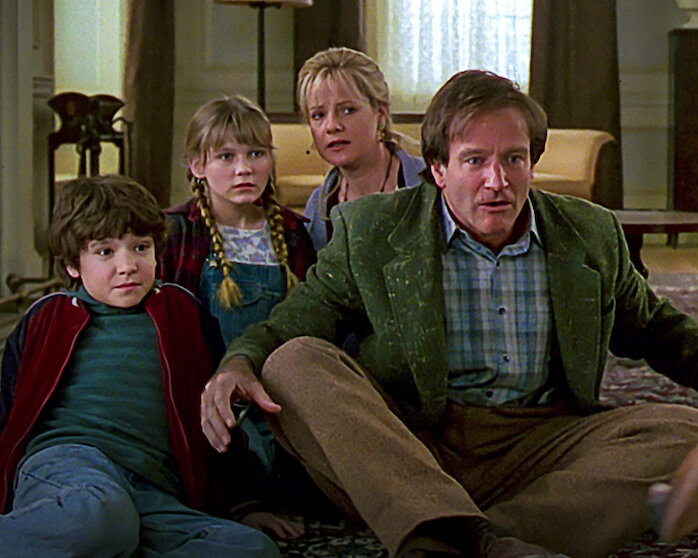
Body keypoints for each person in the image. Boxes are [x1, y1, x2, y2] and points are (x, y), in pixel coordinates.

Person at [199, 71, 698, 558]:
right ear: (438, 169)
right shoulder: (372, 230)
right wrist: (239, 361)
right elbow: (297, 321)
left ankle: (451, 537)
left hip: (540, 444)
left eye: (513, 158)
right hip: (413, 440)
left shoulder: (587, 235)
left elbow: (665, 334)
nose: (497, 181)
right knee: (293, 364)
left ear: (533, 162)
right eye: (475, 161)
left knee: (681, 432)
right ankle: (484, 539)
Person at [0, 175, 288, 556]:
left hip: (151, 488)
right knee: (98, 518)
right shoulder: (46, 317)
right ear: (72, 264)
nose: (127, 266)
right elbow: (8, 413)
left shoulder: (183, 313)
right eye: (105, 252)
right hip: (69, 470)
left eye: (140, 247)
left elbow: (218, 412)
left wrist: (245, 503)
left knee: (252, 550)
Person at [157, 95, 317, 516]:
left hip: (281, 398)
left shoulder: (295, 233)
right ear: (197, 166)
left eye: (256, 154)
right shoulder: (174, 233)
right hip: (204, 397)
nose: (244, 168)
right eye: (226, 157)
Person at [297, 46, 426, 250]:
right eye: (318, 115)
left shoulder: (431, 184)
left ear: (381, 114)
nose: (332, 126)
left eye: (348, 110)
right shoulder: (318, 208)